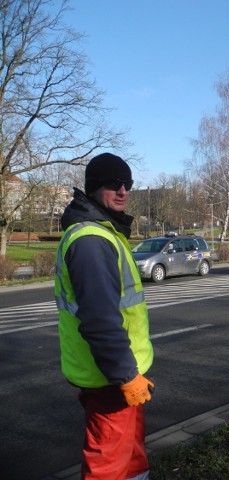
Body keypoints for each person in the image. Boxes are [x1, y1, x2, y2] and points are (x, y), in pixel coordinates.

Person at [54, 153, 154, 480]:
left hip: (119, 375)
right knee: (108, 465)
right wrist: (125, 376)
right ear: (94, 188)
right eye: (114, 184)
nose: (123, 191)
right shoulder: (91, 240)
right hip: (111, 379)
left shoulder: (104, 232)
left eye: (128, 184)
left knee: (131, 455)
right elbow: (100, 320)